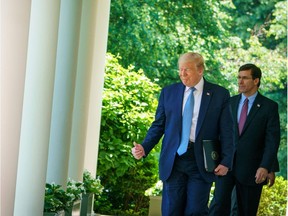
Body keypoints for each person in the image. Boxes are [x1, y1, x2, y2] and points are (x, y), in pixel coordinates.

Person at [131, 52, 234, 215]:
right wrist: (144, 146)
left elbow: (228, 131)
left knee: (195, 211)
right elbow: (159, 125)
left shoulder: (219, 94)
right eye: (180, 69)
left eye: (187, 69)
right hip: (174, 160)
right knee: (171, 210)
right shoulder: (168, 92)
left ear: (200, 70)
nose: (182, 74)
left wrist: (226, 160)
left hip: (201, 161)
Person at [208, 63, 280, 216]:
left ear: (256, 81)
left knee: (245, 211)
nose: (240, 82)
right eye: (239, 77)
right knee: (217, 207)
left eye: (245, 78)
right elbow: (216, 133)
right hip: (225, 166)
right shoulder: (229, 103)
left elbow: (272, 141)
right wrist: (212, 160)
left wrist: (266, 167)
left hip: (252, 170)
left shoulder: (269, 107)